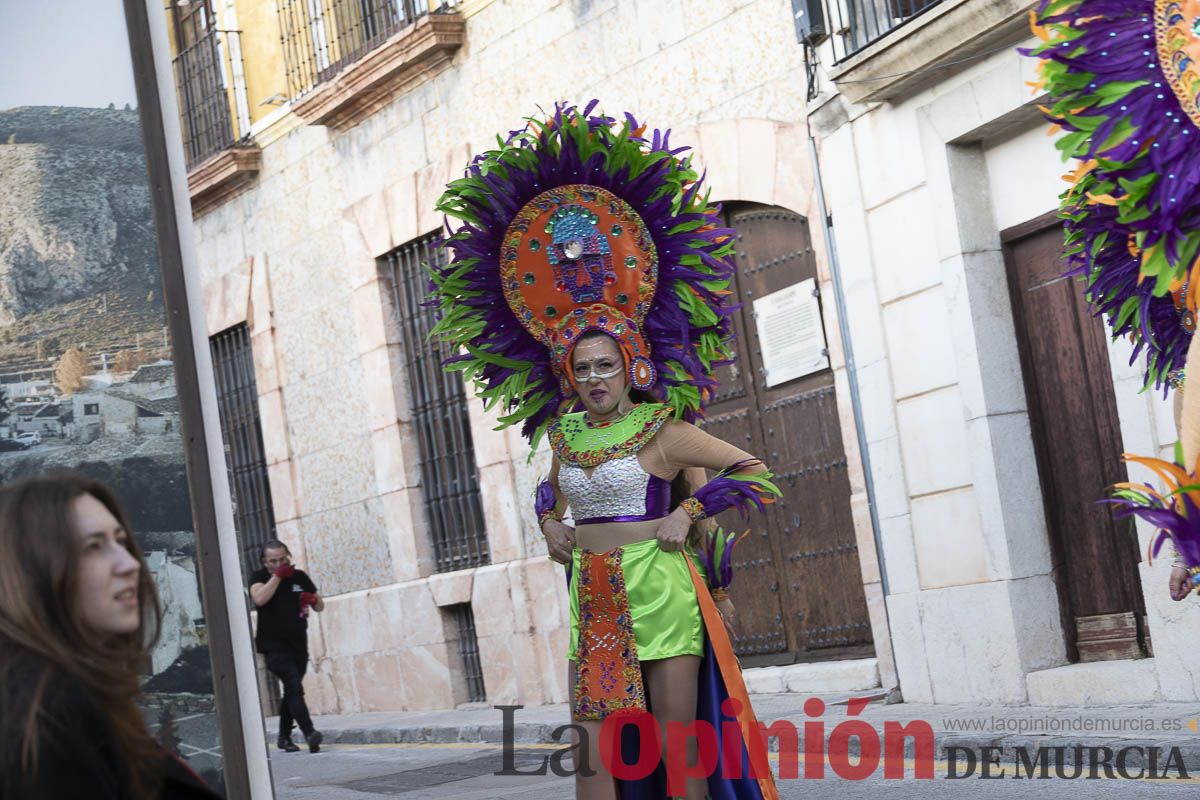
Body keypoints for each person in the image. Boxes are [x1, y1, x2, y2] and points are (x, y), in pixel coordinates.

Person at [427, 103, 781, 799]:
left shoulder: (663, 429)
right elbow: (550, 491)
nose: (595, 379)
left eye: (606, 367)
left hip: (662, 590)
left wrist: (689, 512)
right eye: (582, 368)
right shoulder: (564, 437)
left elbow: (753, 470)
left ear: (630, 368)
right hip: (593, 596)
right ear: (569, 375)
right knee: (595, 752)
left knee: (677, 747)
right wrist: (548, 523)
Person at [0, 472, 222, 799]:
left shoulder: (68, 698)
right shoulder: (48, 718)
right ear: (31, 570)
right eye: (94, 547)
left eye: (121, 541)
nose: (130, 563)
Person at [248, 540, 324, 753]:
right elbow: (260, 599)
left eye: (282, 559)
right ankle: (310, 732)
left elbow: (320, 605)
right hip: (274, 646)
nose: (279, 564)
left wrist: (312, 599)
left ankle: (283, 737)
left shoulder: (299, 577)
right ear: (265, 561)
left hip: (298, 644)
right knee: (294, 686)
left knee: (292, 690)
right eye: (273, 561)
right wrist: (277, 577)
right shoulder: (259, 578)